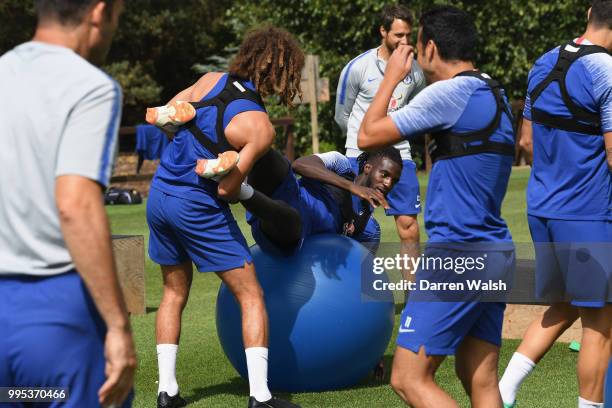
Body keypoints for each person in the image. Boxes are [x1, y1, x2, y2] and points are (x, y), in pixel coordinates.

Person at [358, 6, 516, 407]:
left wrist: (391, 77)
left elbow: (367, 134)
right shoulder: (494, 92)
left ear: (430, 47)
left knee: (409, 378)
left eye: (416, 42)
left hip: (457, 253)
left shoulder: (449, 93)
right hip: (495, 250)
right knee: (478, 378)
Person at [146, 26, 304, 408]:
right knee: (251, 295)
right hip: (195, 205)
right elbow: (227, 191)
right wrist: (224, 170)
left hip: (159, 195)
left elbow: (168, 120)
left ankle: (166, 392)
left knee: (173, 292)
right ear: (282, 74)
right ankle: (261, 397)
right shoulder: (260, 128)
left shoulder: (208, 80)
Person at [0, 1, 136, 407]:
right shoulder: (90, 86)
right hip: (57, 318)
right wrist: (117, 326)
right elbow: (75, 205)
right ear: (99, 12)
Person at [499, 1, 612, 407]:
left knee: (564, 304)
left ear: (588, 13)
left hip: (542, 209)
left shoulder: (544, 61)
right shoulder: (608, 72)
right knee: (600, 325)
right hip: (587, 216)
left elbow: (525, 141)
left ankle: (503, 390)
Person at [335, 4, 426, 275]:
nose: (405, 42)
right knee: (350, 227)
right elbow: (342, 115)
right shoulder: (357, 68)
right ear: (383, 31)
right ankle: (347, 296)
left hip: (400, 155)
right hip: (359, 155)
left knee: (409, 226)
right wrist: (357, 144)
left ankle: (414, 301)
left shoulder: (417, 72)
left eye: (408, 35)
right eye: (398, 35)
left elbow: (417, 108)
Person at [239, 147, 402, 256]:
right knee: (266, 151)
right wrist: (351, 187)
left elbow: (360, 275)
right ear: (367, 168)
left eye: (394, 180)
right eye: (384, 175)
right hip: (289, 192)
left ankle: (240, 191)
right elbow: (300, 164)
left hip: (291, 234)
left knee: (291, 218)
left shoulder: (369, 228)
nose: (388, 183)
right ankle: (223, 162)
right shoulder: (341, 165)